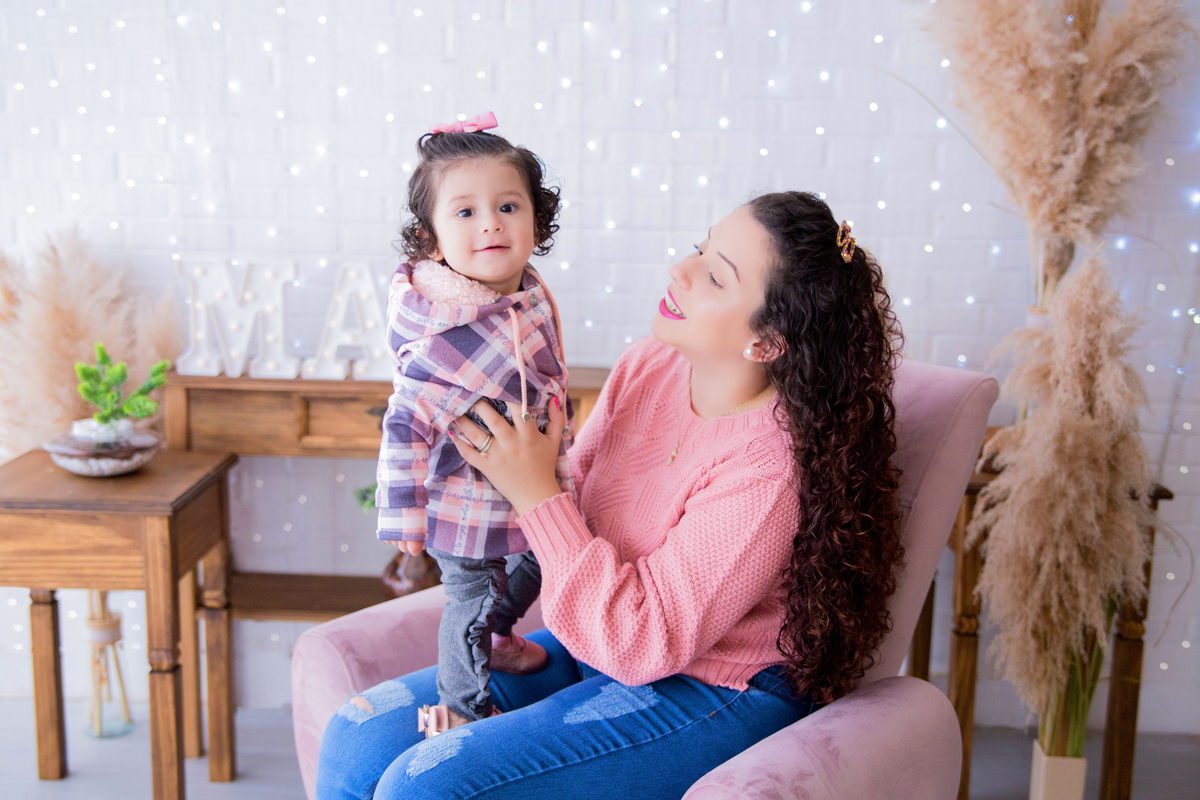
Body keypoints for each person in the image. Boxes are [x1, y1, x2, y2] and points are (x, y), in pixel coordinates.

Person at [320, 191, 905, 800]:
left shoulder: (771, 466)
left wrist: (534, 492)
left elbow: (642, 636)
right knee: (357, 735)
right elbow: (575, 494)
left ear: (769, 339)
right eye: (700, 248)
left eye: (713, 275)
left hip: (713, 687)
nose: (681, 269)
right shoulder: (651, 365)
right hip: (601, 643)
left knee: (427, 786)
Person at [374, 112, 571, 735]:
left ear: (535, 221)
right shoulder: (439, 337)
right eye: (464, 212)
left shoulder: (527, 293)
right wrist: (403, 514)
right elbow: (403, 424)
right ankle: (459, 707)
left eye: (508, 205)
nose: (490, 222)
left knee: (551, 557)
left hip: (529, 486)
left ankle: (501, 632)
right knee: (468, 599)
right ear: (431, 242)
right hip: (467, 500)